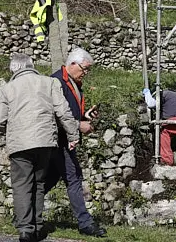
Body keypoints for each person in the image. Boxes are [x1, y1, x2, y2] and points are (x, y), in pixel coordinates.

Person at [0, 53, 80, 242]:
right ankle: (38, 227)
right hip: (45, 141)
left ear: (13, 69)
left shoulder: (7, 88)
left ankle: (25, 230)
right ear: (31, 66)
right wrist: (73, 135)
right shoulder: (49, 83)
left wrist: (9, 126)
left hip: (20, 144)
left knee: (22, 185)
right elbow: (63, 112)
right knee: (39, 184)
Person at [44, 48, 106, 238]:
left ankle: (25, 214)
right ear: (72, 64)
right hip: (58, 140)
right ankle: (85, 223)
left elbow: (69, 111)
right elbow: (54, 114)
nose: (86, 73)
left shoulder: (73, 83)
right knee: (74, 178)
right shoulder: (56, 82)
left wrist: (84, 114)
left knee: (49, 179)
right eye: (85, 68)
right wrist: (79, 125)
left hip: (62, 140)